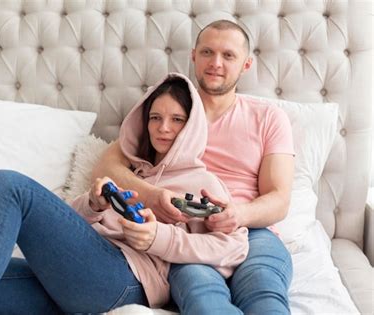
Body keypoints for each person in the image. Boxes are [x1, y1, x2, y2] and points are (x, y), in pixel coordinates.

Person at [0, 73, 248, 315]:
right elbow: (71, 227)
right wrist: (94, 205)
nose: (163, 128)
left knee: (7, 186)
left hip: (122, 279)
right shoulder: (132, 171)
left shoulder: (204, 181)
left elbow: (233, 248)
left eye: (176, 119)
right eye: (155, 118)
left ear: (193, 125)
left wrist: (159, 237)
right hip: (74, 279)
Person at [92, 20, 295, 314]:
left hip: (252, 230)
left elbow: (280, 197)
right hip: (185, 234)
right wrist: (150, 195)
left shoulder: (268, 118)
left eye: (228, 56)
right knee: (200, 293)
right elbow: (107, 167)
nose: (215, 63)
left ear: (246, 64)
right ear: (193, 56)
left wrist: (238, 214)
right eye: (207, 52)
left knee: (263, 291)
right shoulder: (168, 108)